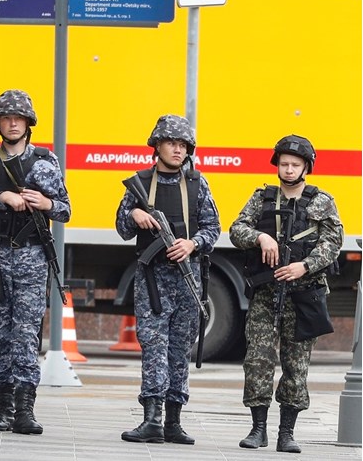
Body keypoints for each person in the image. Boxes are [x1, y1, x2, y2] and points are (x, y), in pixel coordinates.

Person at [0, 89, 71, 435]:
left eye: (18, 118)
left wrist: (45, 203)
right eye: (6, 118)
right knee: (0, 334)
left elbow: (66, 209)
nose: (12, 123)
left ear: (28, 123)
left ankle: (25, 409)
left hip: (31, 257)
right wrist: (1, 198)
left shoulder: (45, 161)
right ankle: (3, 407)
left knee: (26, 333)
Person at [230, 135, 343, 453]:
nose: (289, 169)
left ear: (306, 167)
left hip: (304, 295)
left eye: (295, 164)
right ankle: (258, 429)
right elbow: (237, 229)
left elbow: (333, 242)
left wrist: (304, 266)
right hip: (266, 293)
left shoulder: (322, 201)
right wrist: (261, 238)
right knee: (257, 360)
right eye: (284, 164)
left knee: (296, 366)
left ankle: (287, 433)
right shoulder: (262, 198)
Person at [115, 115, 220, 444]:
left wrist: (191, 244)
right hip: (152, 278)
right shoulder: (141, 183)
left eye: (183, 144)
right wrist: (134, 214)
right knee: (154, 347)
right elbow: (121, 227)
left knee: (179, 349)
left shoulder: (197, 184)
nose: (178, 149)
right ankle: (152, 419)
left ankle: (173, 420)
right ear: (157, 146)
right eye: (172, 143)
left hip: (186, 278)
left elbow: (213, 228)